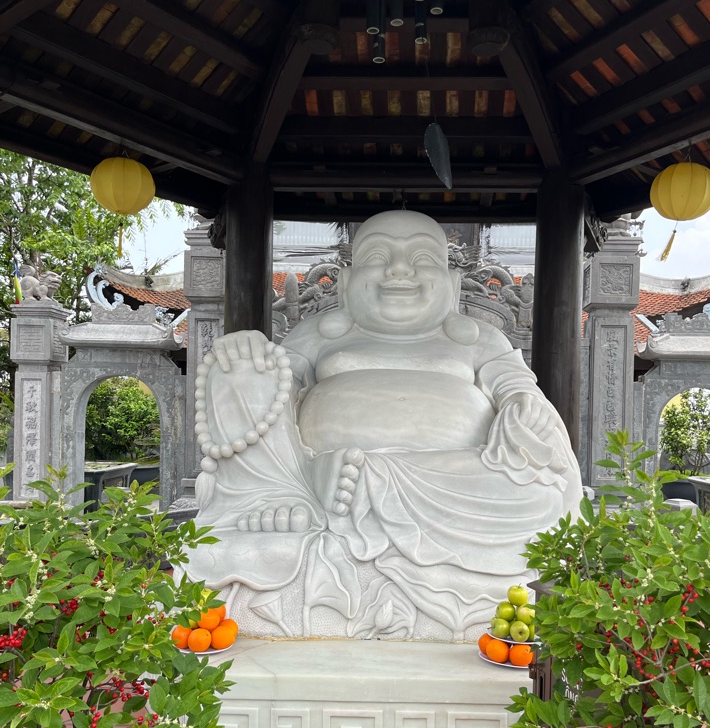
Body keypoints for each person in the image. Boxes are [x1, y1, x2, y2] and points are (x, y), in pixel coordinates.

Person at [186, 210, 582, 640]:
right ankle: (285, 493)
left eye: (422, 258)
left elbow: (520, 390)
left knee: (542, 491)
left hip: (454, 485)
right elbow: (266, 391)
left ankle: (348, 488)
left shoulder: (482, 339)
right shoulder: (317, 334)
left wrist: (525, 410)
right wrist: (249, 357)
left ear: (451, 284)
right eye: (378, 256)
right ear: (345, 282)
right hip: (311, 477)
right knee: (239, 367)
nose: (398, 269)